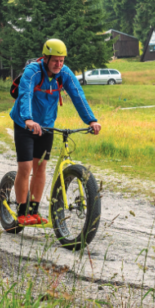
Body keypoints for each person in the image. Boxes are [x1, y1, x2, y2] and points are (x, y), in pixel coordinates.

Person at [9, 39, 101, 226]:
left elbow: (78, 95)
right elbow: (25, 94)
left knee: (41, 167)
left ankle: (33, 212)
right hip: (24, 124)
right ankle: (21, 212)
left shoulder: (64, 74)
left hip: (46, 126)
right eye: (55, 61)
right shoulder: (32, 71)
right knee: (26, 167)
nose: (59, 64)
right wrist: (27, 119)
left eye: (62, 60)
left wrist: (91, 120)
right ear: (45, 58)